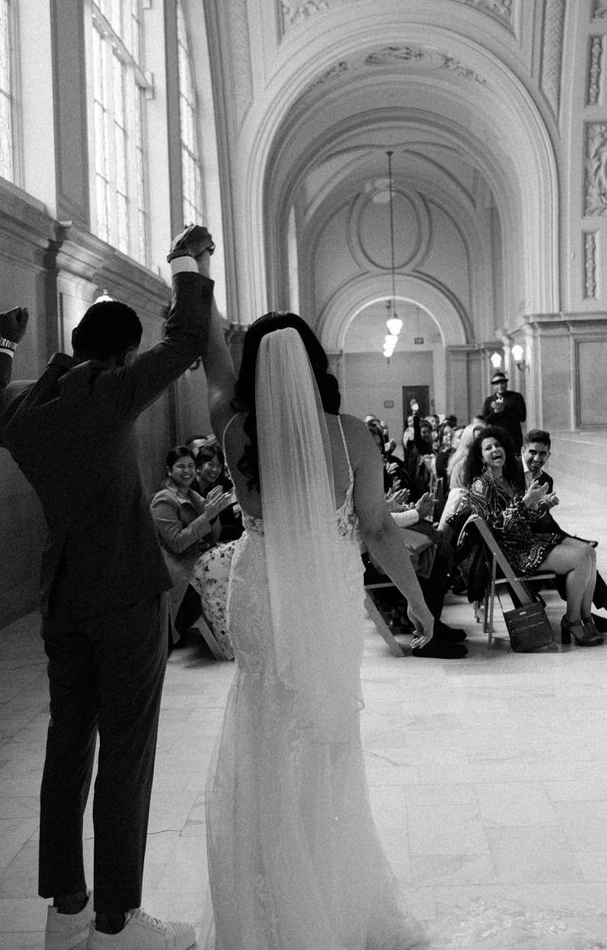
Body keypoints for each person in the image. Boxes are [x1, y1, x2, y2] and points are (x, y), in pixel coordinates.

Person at [0, 224, 215, 950]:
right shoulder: (110, 390)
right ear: (122, 352)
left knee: (68, 745)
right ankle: (116, 921)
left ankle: (67, 908)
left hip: (65, 601)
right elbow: (190, 342)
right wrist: (186, 262)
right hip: (126, 598)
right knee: (128, 751)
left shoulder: (21, 406)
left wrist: (4, 346)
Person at [197, 310, 437, 948]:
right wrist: (414, 600)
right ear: (315, 363)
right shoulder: (351, 435)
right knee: (325, 730)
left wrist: (197, 276)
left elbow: (214, 364)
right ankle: (326, 896)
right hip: (323, 595)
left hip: (258, 588)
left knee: (261, 728)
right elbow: (379, 528)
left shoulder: (232, 431)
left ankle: (267, 906)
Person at [443, 425, 604, 647]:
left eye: (498, 445)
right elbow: (496, 526)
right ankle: (573, 620)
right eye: (488, 448)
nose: (494, 450)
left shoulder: (507, 479)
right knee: (579, 559)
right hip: (510, 553)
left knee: (588, 552)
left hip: (525, 542)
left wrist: (539, 505)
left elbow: (522, 517)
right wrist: (527, 501)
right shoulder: (482, 484)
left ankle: (585, 617)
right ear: (480, 457)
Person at [522, 429, 607, 636]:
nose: (536, 458)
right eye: (532, 452)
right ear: (523, 450)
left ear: (549, 455)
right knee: (578, 555)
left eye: (542, 454)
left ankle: (593, 616)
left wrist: (570, 538)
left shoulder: (546, 480)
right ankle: (600, 616)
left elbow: (544, 522)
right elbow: (515, 516)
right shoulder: (511, 473)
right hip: (522, 543)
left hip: (541, 536)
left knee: (586, 551)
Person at [149, 445, 232, 647]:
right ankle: (225, 639)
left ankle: (230, 633)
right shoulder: (163, 500)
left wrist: (213, 517)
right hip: (179, 566)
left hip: (199, 557)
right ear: (169, 470)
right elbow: (177, 543)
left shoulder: (194, 496)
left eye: (190, 466)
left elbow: (213, 537)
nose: (187, 471)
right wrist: (207, 516)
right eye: (181, 467)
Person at [479, 370, 526, 443]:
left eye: (502, 383)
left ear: (506, 384)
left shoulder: (516, 397)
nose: (500, 386)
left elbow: (522, 417)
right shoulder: (489, 400)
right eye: (497, 384)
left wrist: (503, 410)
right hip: (496, 436)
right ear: (494, 386)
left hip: (513, 436)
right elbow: (485, 420)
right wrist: (495, 412)